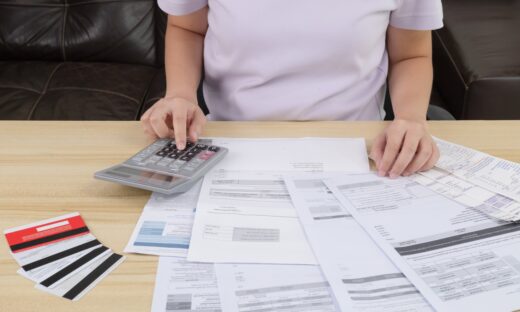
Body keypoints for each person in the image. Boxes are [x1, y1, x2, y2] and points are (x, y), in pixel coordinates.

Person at [141, 0, 443, 178]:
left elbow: (411, 55)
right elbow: (187, 28)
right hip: (233, 142)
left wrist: (412, 119)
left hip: (358, 151)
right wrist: (180, 94)